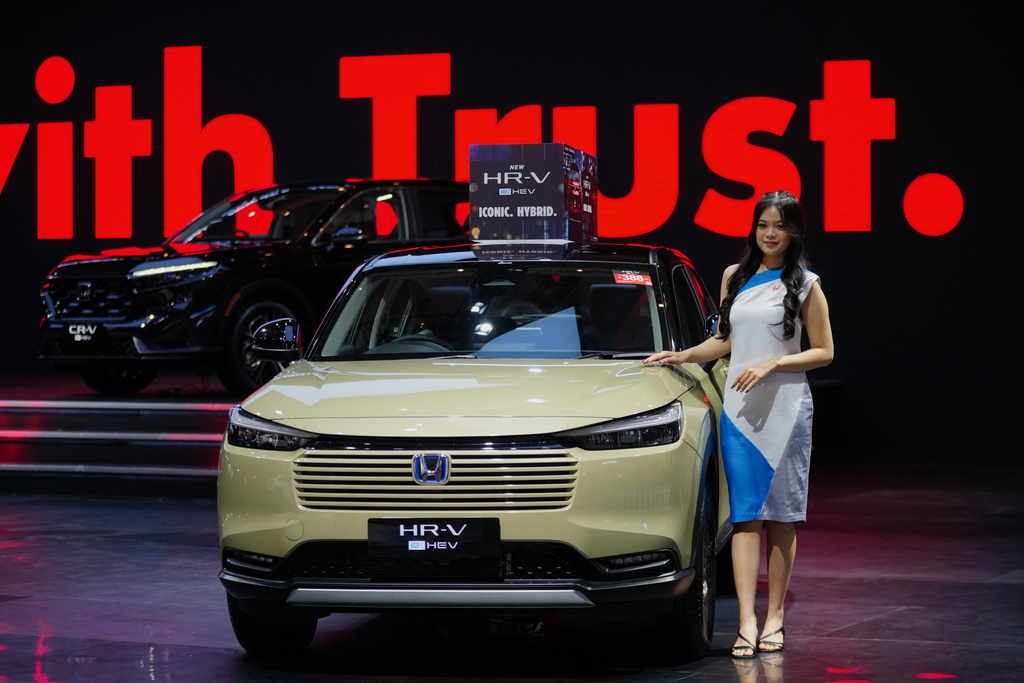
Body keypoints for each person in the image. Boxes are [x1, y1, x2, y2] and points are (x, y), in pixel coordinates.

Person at [643, 190, 834, 658]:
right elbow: (724, 341)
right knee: (745, 518)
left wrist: (772, 364)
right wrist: (684, 354)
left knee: (782, 520)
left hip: (786, 411)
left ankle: (775, 618)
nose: (771, 234)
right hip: (739, 413)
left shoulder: (806, 284)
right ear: (754, 228)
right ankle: (747, 622)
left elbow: (825, 351)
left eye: (781, 226)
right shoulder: (736, 276)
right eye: (764, 224)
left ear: (794, 232)